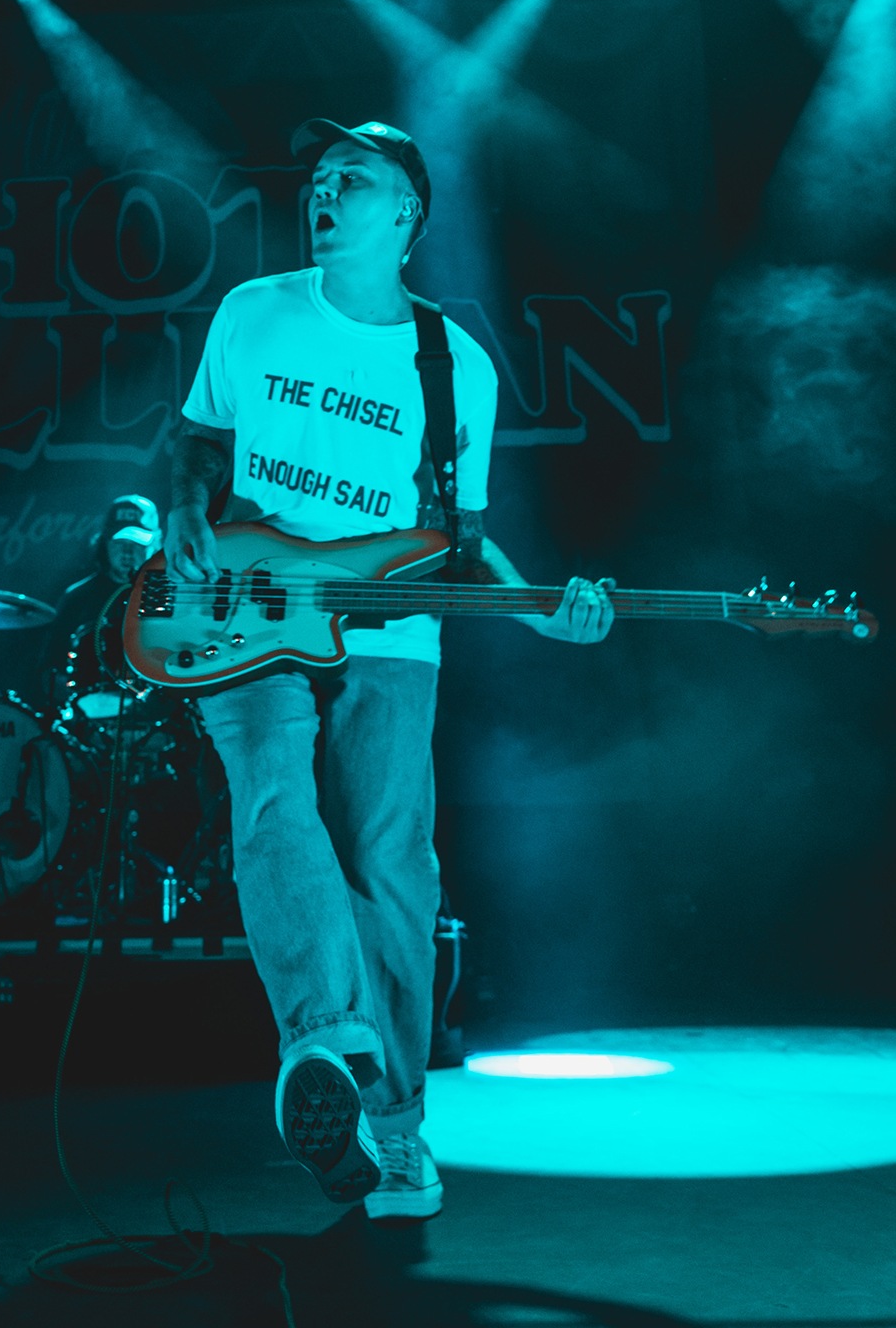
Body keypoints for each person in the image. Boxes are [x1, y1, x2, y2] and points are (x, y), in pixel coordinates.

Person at [164, 119, 613, 1221]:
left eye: (351, 178)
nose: (323, 190)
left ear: (405, 210)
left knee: (388, 859)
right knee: (273, 794)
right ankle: (326, 1042)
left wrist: (542, 613)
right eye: (318, 176)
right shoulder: (253, 310)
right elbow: (198, 441)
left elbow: (462, 538)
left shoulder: (452, 364)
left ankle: (397, 1129)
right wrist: (183, 510)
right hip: (246, 613)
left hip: (391, 630)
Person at [43, 494, 162, 716]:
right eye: (120, 542)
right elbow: (52, 666)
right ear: (105, 543)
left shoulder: (171, 594)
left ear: (156, 543)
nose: (127, 552)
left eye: (136, 543)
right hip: (90, 713)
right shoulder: (77, 597)